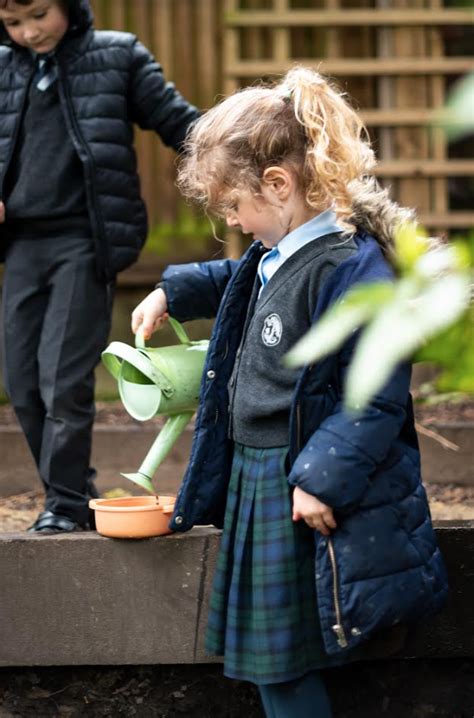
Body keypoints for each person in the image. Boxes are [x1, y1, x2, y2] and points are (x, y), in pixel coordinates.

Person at [131, 67, 448, 717]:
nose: (234, 225)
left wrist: (320, 480)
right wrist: (173, 291)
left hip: (294, 480)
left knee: (283, 668)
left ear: (278, 186)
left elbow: (376, 395)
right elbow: (240, 276)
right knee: (266, 667)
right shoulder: (279, 247)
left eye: (234, 210)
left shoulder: (350, 265)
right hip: (257, 474)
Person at [0, 0, 200, 533]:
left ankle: (63, 506)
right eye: (13, 23)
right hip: (21, 243)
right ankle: (72, 492)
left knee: (61, 378)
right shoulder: (4, 66)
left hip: (85, 240)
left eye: (39, 14)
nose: (29, 31)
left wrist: (240, 154)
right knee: (21, 380)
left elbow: (180, 123)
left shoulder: (116, 56)